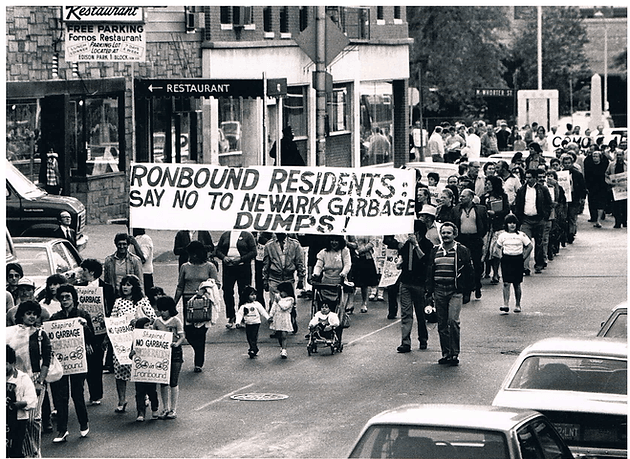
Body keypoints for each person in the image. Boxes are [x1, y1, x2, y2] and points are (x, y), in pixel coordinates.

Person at [48, 284, 94, 443]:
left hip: (77, 362)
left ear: (74, 298)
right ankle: (62, 430)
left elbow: (91, 338)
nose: (65, 300)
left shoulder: (82, 314)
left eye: (68, 297)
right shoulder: (55, 318)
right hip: (62, 362)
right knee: (61, 396)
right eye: (62, 298)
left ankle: (83, 422)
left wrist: (85, 326)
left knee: (77, 393)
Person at [5, 301, 52, 457]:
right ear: (21, 315)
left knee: (33, 419)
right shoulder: (10, 333)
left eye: (34, 314)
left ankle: (35, 452)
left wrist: (40, 382)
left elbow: (47, 360)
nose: (32, 317)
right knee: (19, 418)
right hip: (15, 379)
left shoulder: (40, 334)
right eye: (28, 313)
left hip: (36, 378)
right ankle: (23, 452)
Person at [426, 222, 474, 366]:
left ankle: (454, 353)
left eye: (449, 233)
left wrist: (467, 291)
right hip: (439, 290)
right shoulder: (435, 250)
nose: (446, 235)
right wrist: (429, 291)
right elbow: (430, 271)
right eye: (444, 233)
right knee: (442, 323)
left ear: (455, 234)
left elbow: (469, 272)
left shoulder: (462, 250)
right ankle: (446, 353)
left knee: (453, 321)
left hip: (455, 291)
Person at [110, 275, 156, 414]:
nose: (125, 287)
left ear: (134, 287)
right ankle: (122, 400)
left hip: (138, 340)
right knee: (120, 371)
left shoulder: (142, 301)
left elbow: (152, 318)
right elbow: (112, 319)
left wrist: (138, 321)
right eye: (124, 284)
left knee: (140, 370)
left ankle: (145, 396)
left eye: (129, 284)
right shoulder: (118, 302)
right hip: (121, 340)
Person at [173, 241, 220, 372]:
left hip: (204, 302)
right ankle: (198, 350)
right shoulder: (184, 267)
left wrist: (204, 289)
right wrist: (174, 303)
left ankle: (198, 361)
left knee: (201, 332)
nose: (191, 257)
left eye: (193, 254)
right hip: (188, 301)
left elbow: (217, 284)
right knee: (188, 332)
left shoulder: (210, 266)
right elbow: (180, 286)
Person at [78, 259, 115, 407]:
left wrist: (108, 333)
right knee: (85, 362)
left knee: (97, 363)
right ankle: (89, 391)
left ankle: (96, 393)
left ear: (92, 272)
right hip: (84, 330)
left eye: (84, 271)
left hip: (100, 331)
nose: (82, 274)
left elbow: (111, 309)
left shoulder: (106, 288)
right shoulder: (79, 287)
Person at [396, 219, 434, 354]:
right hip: (406, 281)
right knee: (406, 313)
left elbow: (425, 260)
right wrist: (400, 263)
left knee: (420, 313)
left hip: (420, 283)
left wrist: (416, 245)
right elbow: (402, 258)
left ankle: (423, 338)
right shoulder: (407, 245)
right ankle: (405, 342)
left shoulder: (427, 245)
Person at [215, 230, 257, 329]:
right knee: (227, 291)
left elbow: (253, 252)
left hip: (243, 268)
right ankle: (231, 316)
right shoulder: (225, 234)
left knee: (244, 291)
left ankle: (242, 316)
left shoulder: (247, 235)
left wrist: (241, 259)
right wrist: (224, 257)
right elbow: (218, 250)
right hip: (228, 268)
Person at [152, 296, 185, 420]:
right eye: (161, 310)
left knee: (173, 381)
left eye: (165, 310)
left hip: (175, 351)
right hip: (162, 353)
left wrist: (177, 343)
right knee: (163, 381)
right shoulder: (157, 321)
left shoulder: (176, 321)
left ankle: (173, 409)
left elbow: (182, 336)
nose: (163, 313)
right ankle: (165, 408)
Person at [514, 169, 552, 275]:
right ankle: (525, 266)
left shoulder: (542, 189)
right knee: (526, 242)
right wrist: (519, 219)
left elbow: (549, 203)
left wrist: (545, 216)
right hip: (526, 219)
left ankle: (539, 264)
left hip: (539, 219)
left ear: (535, 178)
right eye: (526, 177)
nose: (528, 180)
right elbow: (518, 205)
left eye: (530, 177)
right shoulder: (522, 190)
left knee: (539, 243)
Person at [453, 189, 488, 299]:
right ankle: (466, 289)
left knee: (477, 264)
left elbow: (485, 225)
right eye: (461, 196)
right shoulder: (456, 209)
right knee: (464, 264)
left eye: (464, 196)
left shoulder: (481, 209)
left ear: (471, 197)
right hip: (462, 239)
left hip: (475, 239)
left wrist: (481, 236)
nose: (461, 198)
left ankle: (477, 285)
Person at [6, 345, 38, 458]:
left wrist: (18, 404)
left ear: (13, 363)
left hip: (18, 420)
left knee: (16, 450)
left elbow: (32, 400)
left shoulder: (22, 378)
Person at [496, 214, 533, 314]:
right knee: (506, 283)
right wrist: (501, 257)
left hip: (517, 259)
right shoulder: (503, 236)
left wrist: (524, 257)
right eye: (509, 223)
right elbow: (498, 247)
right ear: (506, 224)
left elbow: (529, 246)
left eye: (514, 223)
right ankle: (506, 304)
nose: (512, 225)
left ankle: (517, 304)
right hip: (507, 259)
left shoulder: (521, 235)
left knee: (517, 284)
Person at [312, 235, 353, 315]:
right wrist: (316, 273)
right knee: (324, 302)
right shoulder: (323, 252)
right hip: (326, 281)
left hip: (339, 281)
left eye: (336, 240)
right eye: (332, 240)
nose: (334, 243)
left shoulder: (344, 251)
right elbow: (319, 265)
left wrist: (343, 273)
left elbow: (347, 264)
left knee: (339, 304)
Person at [128, 317, 159, 422]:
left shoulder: (154, 338)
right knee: (140, 392)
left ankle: (154, 409)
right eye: (146, 325)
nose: (149, 327)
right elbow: (130, 355)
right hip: (140, 371)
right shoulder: (136, 340)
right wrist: (132, 354)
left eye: (150, 325)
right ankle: (140, 412)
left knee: (152, 391)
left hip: (151, 371)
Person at [480, 176, 510, 284]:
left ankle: (496, 273)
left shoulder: (503, 196)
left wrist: (496, 214)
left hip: (498, 227)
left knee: (495, 251)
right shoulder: (484, 197)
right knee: (486, 250)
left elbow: (506, 210)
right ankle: (486, 271)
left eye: (489, 184)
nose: (487, 186)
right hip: (487, 228)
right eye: (486, 184)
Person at [262, 232, 306, 305]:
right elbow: (266, 264)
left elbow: (300, 263)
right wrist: (265, 279)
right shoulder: (269, 245)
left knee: (289, 304)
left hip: (288, 279)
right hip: (274, 279)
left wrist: (301, 278)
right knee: (275, 304)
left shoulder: (295, 245)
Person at [235, 286, 271, 358]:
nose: (254, 296)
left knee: (254, 335)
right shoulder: (244, 306)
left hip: (256, 322)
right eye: (251, 295)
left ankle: (253, 348)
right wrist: (237, 322)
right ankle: (253, 347)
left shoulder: (257, 304)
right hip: (248, 323)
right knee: (249, 336)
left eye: (255, 294)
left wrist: (268, 318)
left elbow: (262, 311)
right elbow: (239, 314)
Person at [346, 236, 379, 314]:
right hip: (353, 257)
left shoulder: (367, 229)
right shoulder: (351, 229)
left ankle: (364, 303)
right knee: (351, 281)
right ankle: (350, 303)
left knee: (364, 283)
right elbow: (347, 241)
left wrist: (360, 250)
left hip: (365, 257)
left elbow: (371, 243)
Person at [561, 154, 587, 244]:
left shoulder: (578, 174)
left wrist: (582, 198)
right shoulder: (560, 174)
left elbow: (582, 187)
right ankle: (565, 233)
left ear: (572, 163)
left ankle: (571, 234)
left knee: (572, 216)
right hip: (563, 199)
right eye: (565, 163)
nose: (567, 165)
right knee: (564, 217)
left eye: (569, 163)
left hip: (574, 198)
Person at [268, 281, 296, 359]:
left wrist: (278, 301)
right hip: (277, 318)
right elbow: (273, 307)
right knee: (279, 335)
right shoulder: (278, 299)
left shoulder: (290, 299)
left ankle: (284, 349)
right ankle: (282, 346)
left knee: (284, 334)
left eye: (282, 291)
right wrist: (270, 316)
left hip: (285, 318)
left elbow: (285, 307)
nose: (281, 293)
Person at [583, 149, 610, 228]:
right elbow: (587, 176)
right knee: (592, 202)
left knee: (600, 203)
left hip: (601, 187)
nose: (595, 158)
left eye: (596, 156)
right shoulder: (589, 165)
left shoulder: (604, 165)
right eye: (593, 156)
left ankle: (598, 220)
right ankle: (593, 217)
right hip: (592, 187)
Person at [605, 149, 627, 228]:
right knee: (616, 206)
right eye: (617, 155)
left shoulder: (627, 165)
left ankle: (625, 221)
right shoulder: (612, 165)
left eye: (620, 155)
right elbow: (606, 174)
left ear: (623, 155)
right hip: (615, 188)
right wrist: (609, 182)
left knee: (625, 205)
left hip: (625, 189)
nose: (619, 156)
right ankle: (617, 222)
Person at [130, 228, 154, 293]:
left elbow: (143, 259)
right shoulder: (134, 238)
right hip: (135, 273)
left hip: (144, 273)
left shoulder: (145, 239)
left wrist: (135, 244)